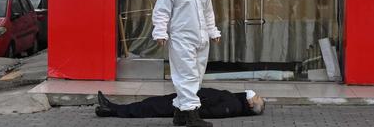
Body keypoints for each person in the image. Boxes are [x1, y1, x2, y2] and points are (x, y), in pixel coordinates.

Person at [153, 0, 221, 127]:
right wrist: (160, 31)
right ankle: (192, 116)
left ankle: (179, 113)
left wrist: (213, 31)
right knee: (187, 76)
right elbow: (162, 11)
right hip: (181, 38)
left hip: (201, 39)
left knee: (196, 76)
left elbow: (208, 12)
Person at [94, 88, 265, 120]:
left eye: (257, 98)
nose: (256, 95)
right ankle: (111, 109)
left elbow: (211, 112)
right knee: (150, 103)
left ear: (251, 105)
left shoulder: (233, 106)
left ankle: (111, 109)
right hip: (186, 97)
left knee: (149, 108)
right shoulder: (236, 100)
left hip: (185, 103)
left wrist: (190, 107)